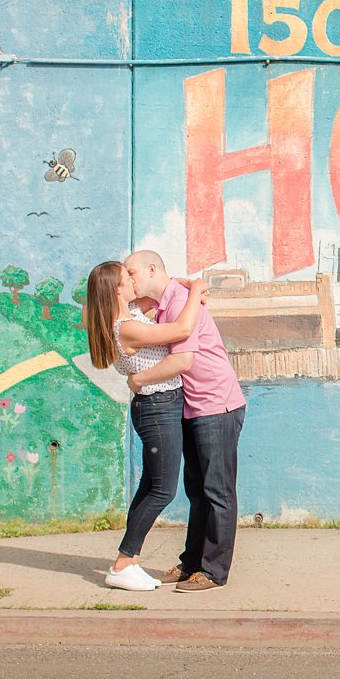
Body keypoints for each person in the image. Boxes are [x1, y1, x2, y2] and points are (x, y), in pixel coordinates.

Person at [83, 260, 209, 591]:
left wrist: (180, 285)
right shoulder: (125, 327)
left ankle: (130, 561)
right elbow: (181, 330)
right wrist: (196, 290)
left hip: (159, 404)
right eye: (128, 279)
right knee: (162, 490)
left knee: (149, 486)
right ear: (117, 289)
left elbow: (156, 301)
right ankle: (123, 564)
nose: (134, 283)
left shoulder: (128, 316)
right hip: (157, 407)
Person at [124, 249, 246, 592]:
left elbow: (183, 362)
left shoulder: (178, 304)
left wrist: (139, 380)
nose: (129, 280)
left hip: (216, 405)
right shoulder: (166, 304)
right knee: (197, 490)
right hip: (194, 407)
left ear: (151, 269)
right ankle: (192, 562)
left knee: (217, 491)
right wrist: (190, 283)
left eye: (132, 273)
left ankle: (212, 571)